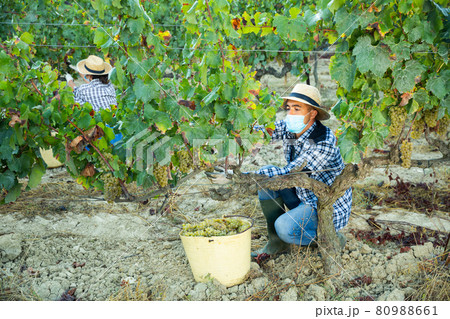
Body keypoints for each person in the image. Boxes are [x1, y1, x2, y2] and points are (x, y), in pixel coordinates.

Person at [208, 83, 352, 257]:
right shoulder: (293, 128)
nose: (291, 114)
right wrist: (229, 140)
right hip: (303, 193)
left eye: (297, 109)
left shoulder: (324, 142)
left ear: (312, 113)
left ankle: (331, 238)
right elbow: (265, 132)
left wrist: (237, 177)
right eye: (289, 108)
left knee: (284, 227)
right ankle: (277, 244)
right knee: (267, 173)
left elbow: (290, 173)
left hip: (324, 206)